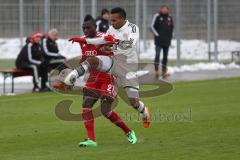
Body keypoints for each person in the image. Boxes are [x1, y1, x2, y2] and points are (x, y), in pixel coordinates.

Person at [66, 7, 151, 128]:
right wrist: (85, 41)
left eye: (114, 20)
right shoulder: (111, 29)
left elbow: (130, 44)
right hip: (114, 62)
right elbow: (103, 40)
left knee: (133, 102)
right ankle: (74, 75)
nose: (112, 23)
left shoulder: (133, 28)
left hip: (128, 68)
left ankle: (144, 111)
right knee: (93, 60)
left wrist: (115, 42)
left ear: (122, 18)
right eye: (111, 20)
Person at [62, 15, 137, 147]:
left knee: (105, 110)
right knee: (86, 104)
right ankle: (91, 139)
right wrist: (75, 76)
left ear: (95, 27)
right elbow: (85, 59)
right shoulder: (83, 41)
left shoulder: (103, 37)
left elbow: (116, 48)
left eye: (88, 28)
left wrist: (111, 48)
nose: (85, 30)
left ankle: (128, 131)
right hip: (93, 77)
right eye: (83, 28)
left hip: (108, 76)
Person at [151, 5, 174, 78]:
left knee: (165, 56)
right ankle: (156, 71)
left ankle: (164, 71)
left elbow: (172, 28)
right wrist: (157, 35)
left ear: (168, 10)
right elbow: (152, 27)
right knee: (157, 55)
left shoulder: (169, 17)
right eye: (163, 9)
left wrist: (171, 36)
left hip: (167, 41)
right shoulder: (157, 16)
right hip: (159, 41)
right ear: (161, 9)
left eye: (166, 9)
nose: (164, 10)